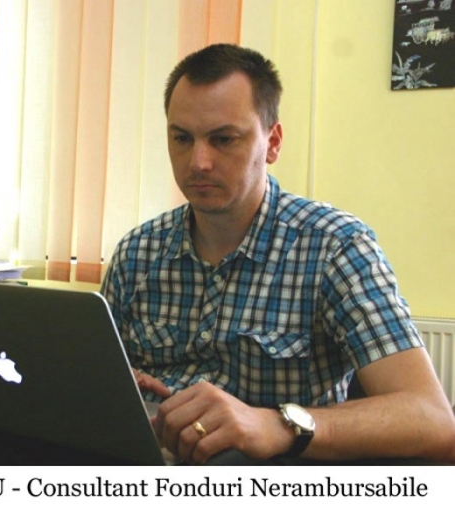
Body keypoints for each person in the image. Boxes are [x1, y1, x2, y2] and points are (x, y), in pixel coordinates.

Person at [101, 43, 455, 465]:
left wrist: (279, 424)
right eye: (182, 138)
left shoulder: (335, 247)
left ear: (272, 143)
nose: (198, 162)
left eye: (223, 139)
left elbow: (431, 419)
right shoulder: (136, 253)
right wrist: (109, 387)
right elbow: (96, 381)